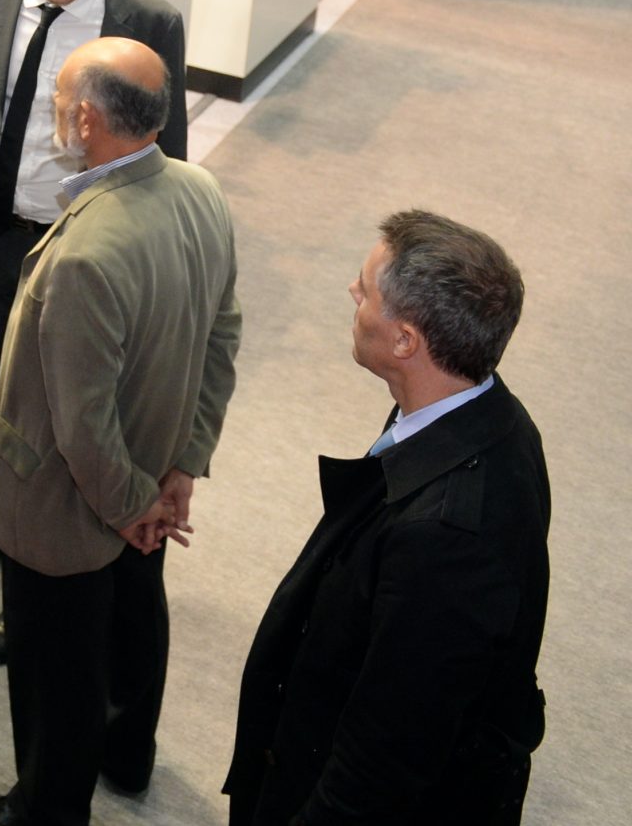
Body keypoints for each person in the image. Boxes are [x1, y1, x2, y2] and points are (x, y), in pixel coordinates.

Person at [0, 38, 239, 826]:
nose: (54, 118)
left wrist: (133, 507)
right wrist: (182, 468)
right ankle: (127, 756)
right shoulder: (201, 190)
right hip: (156, 472)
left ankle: (43, 809)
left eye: (59, 105)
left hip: (67, 510)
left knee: (55, 673)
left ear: (85, 121)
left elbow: (82, 423)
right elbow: (222, 336)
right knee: (136, 622)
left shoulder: (86, 253)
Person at [0, 0, 189, 669]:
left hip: (79, 247)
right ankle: (4, 515)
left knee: (58, 419)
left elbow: (168, 149)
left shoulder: (146, 18)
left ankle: (33, 577)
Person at [224, 212, 549, 826]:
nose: (352, 291)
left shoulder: (446, 539)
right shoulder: (481, 413)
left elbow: (384, 760)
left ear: (405, 341)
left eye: (367, 288)